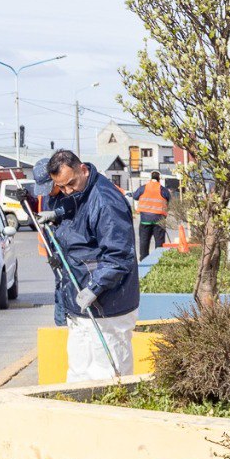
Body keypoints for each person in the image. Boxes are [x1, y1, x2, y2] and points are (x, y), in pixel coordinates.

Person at [32, 149, 139, 381]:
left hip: (107, 304)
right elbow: (78, 209)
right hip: (81, 298)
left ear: (83, 168)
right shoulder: (81, 191)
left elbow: (119, 255)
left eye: (71, 183)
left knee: (108, 373)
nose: (68, 191)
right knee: (81, 371)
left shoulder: (106, 201)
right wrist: (58, 214)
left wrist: (95, 288)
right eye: (62, 187)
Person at [131, 170, 171, 257]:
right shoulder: (163, 189)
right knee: (159, 243)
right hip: (159, 221)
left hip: (145, 220)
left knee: (144, 242)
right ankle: (158, 260)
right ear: (159, 179)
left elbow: (135, 196)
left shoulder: (143, 188)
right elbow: (168, 198)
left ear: (150, 178)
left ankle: (143, 260)